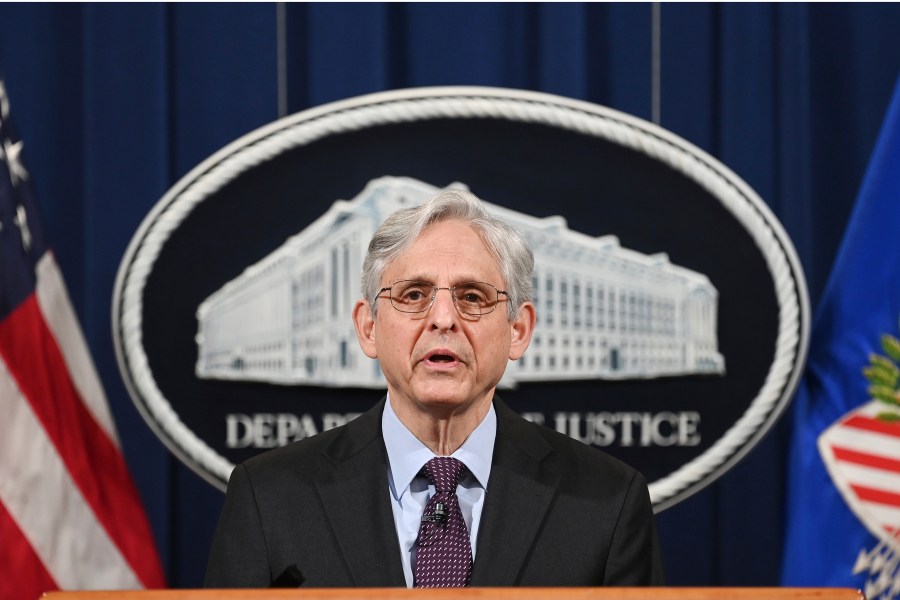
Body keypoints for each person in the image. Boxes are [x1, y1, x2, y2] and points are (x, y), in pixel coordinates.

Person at [205, 188, 664, 588]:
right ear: (368, 328)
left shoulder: (608, 501)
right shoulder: (269, 498)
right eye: (412, 295)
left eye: (472, 297)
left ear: (518, 330)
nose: (443, 319)